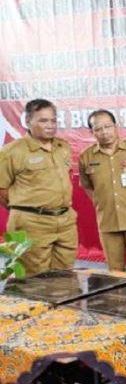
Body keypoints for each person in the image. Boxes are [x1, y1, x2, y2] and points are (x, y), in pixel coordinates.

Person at [0, 99, 77, 275]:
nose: (50, 125)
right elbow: (1, 189)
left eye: (53, 120)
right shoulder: (12, 151)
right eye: (43, 120)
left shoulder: (63, 147)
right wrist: (25, 211)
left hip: (65, 222)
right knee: (33, 279)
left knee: (64, 276)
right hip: (31, 223)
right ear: (28, 122)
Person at [78, 109, 126, 282]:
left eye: (108, 127)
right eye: (98, 129)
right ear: (91, 132)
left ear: (116, 126)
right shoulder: (86, 157)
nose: (104, 132)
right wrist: (102, 202)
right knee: (115, 272)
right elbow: (87, 186)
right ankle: (119, 299)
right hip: (108, 221)